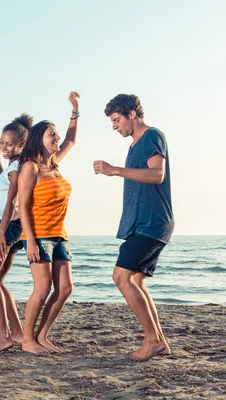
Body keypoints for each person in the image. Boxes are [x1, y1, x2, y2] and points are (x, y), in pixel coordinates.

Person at [94, 94, 173, 362]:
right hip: (141, 223)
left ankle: (153, 340)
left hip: (153, 222)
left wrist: (114, 170)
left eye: (116, 120)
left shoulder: (152, 136)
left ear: (131, 114)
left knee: (121, 277)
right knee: (135, 280)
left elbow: (156, 174)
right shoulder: (134, 145)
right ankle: (158, 341)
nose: (114, 126)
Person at [17, 92, 80, 354]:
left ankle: (42, 336)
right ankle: (27, 339)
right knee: (42, 289)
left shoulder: (55, 164)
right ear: (39, 140)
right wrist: (30, 240)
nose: (56, 138)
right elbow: (22, 207)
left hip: (59, 235)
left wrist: (75, 109)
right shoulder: (31, 168)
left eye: (56, 134)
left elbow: (71, 140)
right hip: (39, 236)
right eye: (51, 134)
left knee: (64, 288)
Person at [0, 114, 33, 353]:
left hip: (4, 223)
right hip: (15, 226)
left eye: (10, 144)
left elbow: (13, 198)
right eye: (2, 142)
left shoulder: (17, 168)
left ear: (22, 145)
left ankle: (3, 336)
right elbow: (5, 180)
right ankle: (18, 333)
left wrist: (0, 232)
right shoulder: (15, 166)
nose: (4, 147)